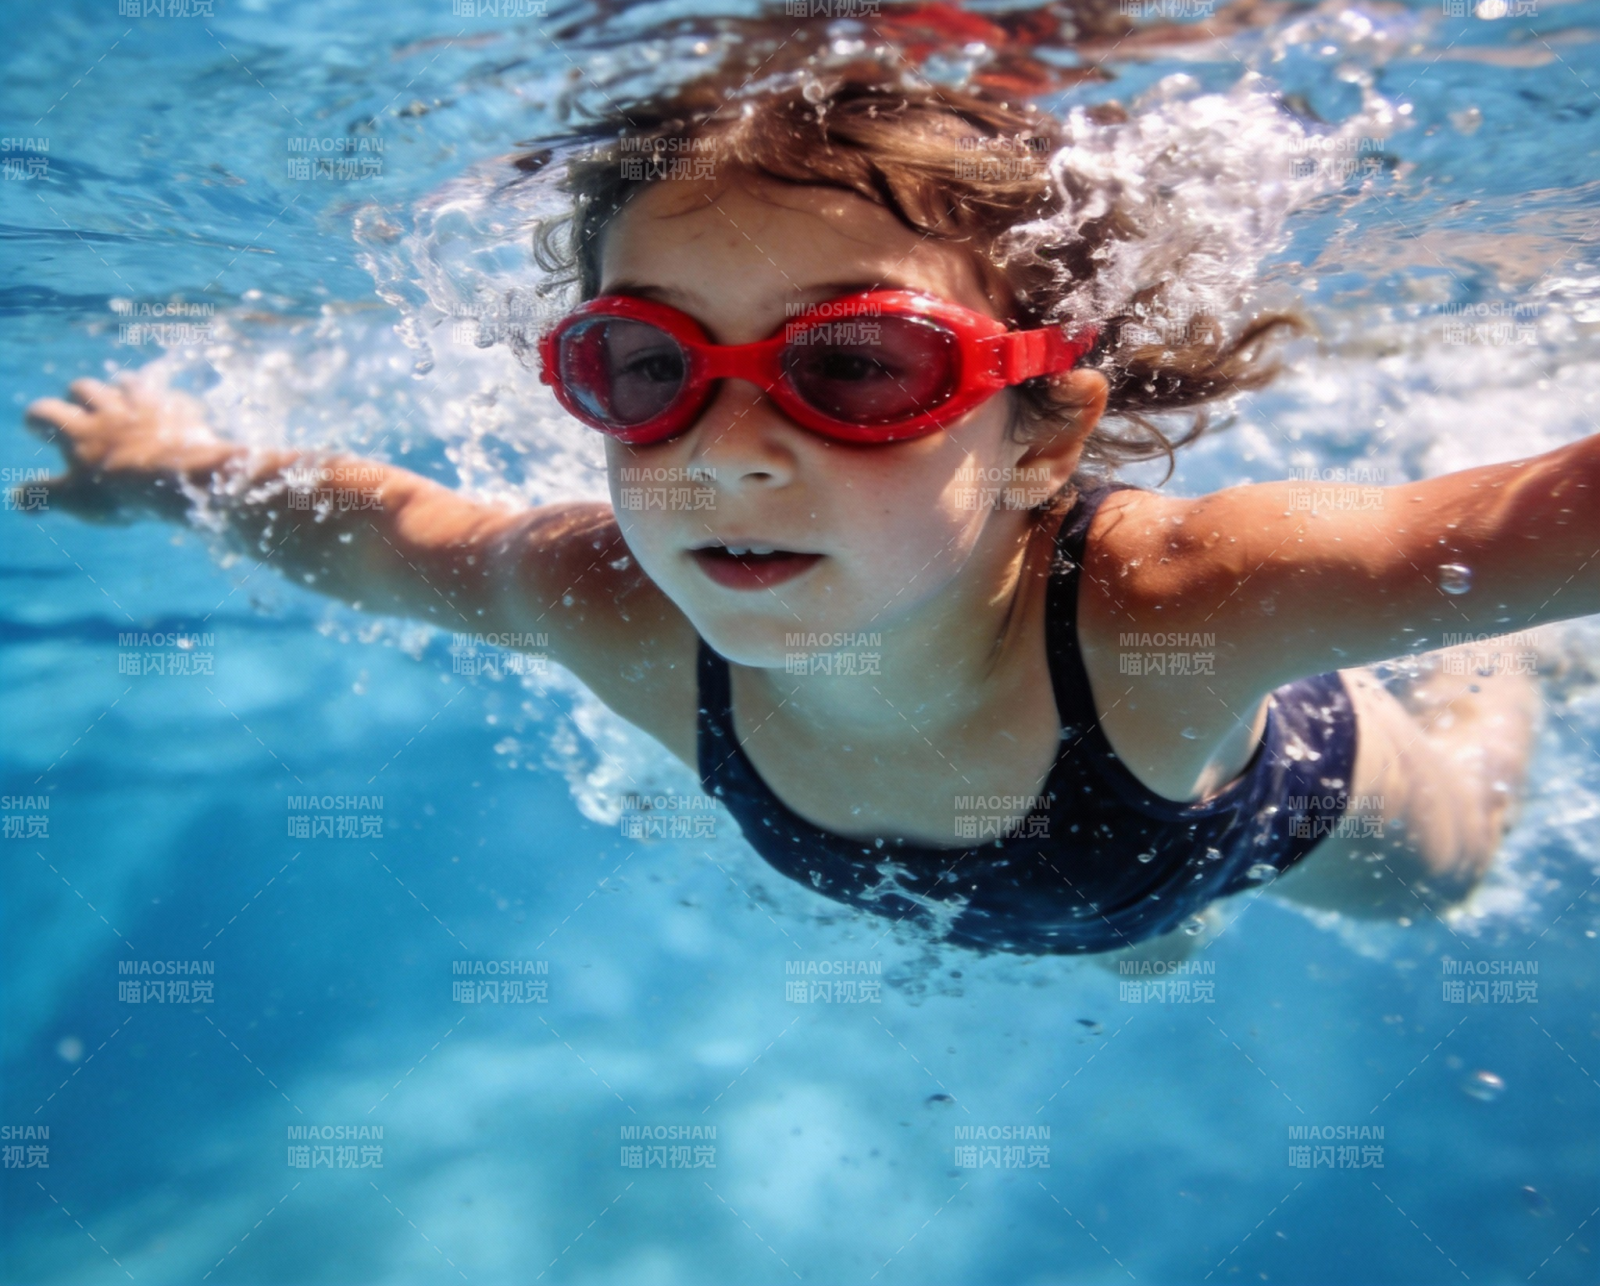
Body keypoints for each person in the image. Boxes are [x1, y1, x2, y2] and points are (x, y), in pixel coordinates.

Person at [22, 76, 1546, 956]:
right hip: (1083, 872)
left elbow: (1524, 524)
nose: (730, 455)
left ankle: (1519, 678)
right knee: (1139, 948)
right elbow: (382, 535)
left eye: (858, 367)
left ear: (1042, 436)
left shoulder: (1177, 608)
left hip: (1244, 815)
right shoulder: (609, 604)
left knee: (1453, 867)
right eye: (646, 365)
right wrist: (163, 470)